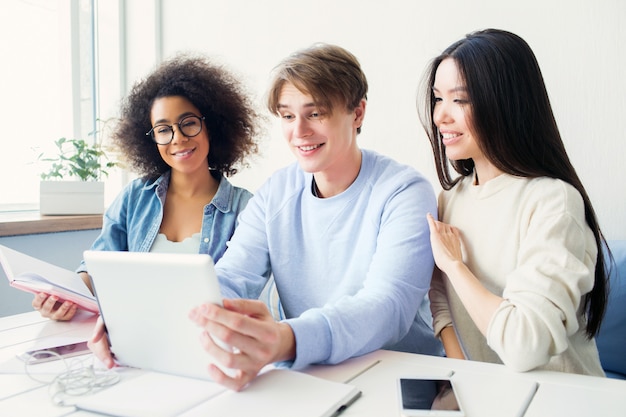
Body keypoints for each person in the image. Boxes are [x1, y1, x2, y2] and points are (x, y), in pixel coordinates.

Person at [92, 43, 442, 390]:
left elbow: (388, 305)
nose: (299, 131)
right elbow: (229, 277)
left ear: (357, 113)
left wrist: (287, 338)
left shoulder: (405, 191)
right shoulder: (276, 193)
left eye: (315, 113)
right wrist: (138, 323)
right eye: (288, 116)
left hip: (400, 378)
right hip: (314, 375)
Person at [419, 28, 610, 376]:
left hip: (563, 400)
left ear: (504, 103)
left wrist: (456, 266)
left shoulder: (554, 201)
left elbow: (525, 348)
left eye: (460, 100)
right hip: (491, 397)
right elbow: (441, 301)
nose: (441, 116)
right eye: (437, 98)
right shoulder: (450, 198)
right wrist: (464, 382)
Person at [33, 54, 261, 321]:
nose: (177, 139)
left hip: (204, 342)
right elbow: (98, 264)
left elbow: (242, 287)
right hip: (134, 332)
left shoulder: (244, 209)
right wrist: (66, 297)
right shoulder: (134, 197)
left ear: (211, 126)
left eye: (188, 123)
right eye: (163, 129)